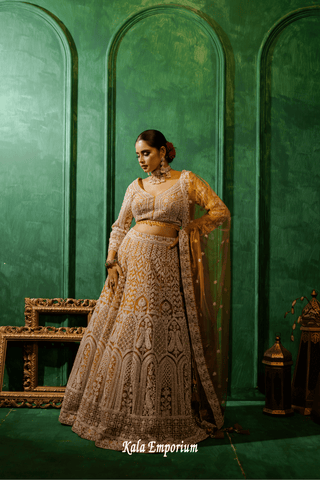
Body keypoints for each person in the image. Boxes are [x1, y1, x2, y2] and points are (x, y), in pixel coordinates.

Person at [59, 129, 231, 453]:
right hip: (130, 267)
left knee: (159, 337)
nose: (140, 160)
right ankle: (121, 415)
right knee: (126, 337)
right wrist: (111, 260)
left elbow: (219, 211)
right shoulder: (134, 187)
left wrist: (188, 232)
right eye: (137, 154)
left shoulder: (186, 181)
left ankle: (161, 417)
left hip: (166, 269)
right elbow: (120, 226)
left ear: (163, 151)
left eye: (146, 153)